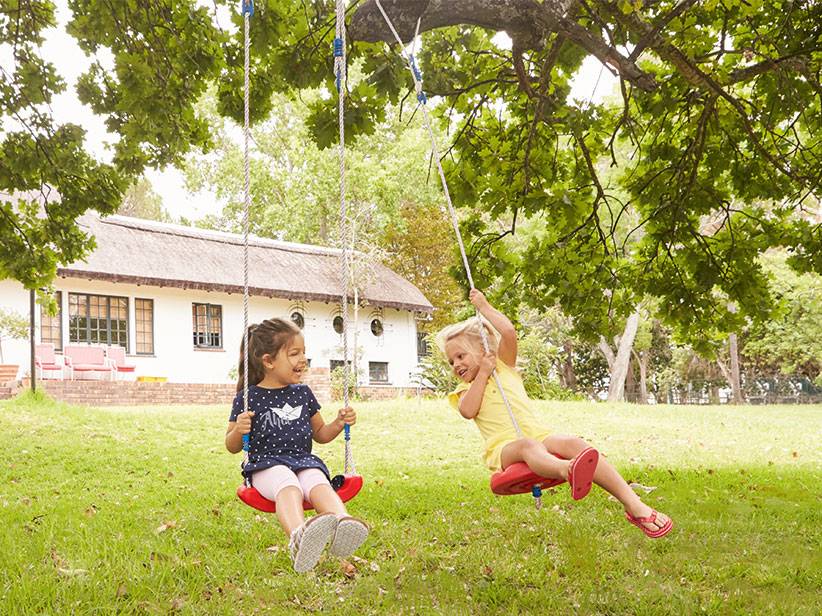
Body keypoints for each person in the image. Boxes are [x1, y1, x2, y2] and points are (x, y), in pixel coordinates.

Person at [438, 290, 672, 538]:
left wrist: (484, 307)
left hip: (538, 435)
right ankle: (568, 470)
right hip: (504, 449)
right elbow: (468, 411)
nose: (456, 365)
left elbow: (508, 332)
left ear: (484, 349)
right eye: (451, 362)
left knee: (574, 442)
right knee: (527, 445)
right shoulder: (464, 390)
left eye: (461, 356)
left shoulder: (504, 366)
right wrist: (482, 373)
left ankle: (634, 505)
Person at [225, 318, 369, 572]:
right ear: (268, 361)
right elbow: (231, 445)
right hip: (266, 466)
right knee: (287, 484)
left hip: (303, 461)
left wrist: (338, 422)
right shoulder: (248, 398)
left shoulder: (303, 393)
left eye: (304, 352)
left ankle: (343, 524)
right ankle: (299, 538)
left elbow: (321, 434)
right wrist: (239, 429)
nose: (303, 359)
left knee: (319, 482)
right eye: (294, 353)